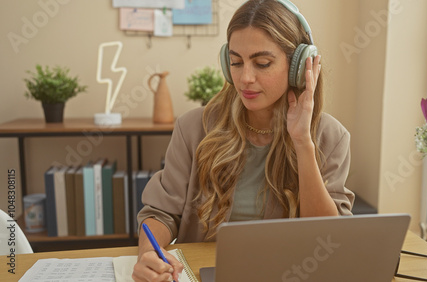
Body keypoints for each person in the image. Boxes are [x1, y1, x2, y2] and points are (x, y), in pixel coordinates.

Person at [132, 0, 355, 281]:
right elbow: (160, 212)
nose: (245, 78)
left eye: (262, 63)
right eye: (236, 62)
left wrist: (302, 142)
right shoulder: (193, 128)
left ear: (299, 66)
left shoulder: (331, 138)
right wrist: (148, 255)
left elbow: (328, 238)